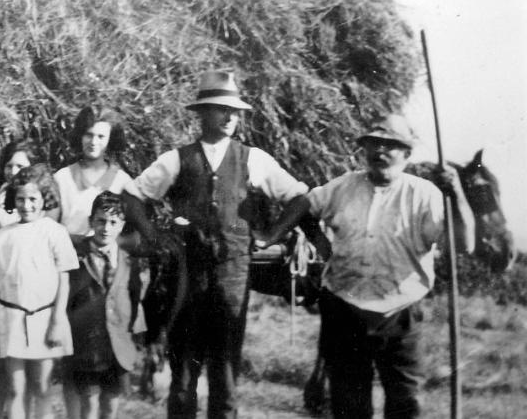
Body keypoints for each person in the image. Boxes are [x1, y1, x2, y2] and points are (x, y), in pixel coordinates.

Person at [123, 71, 314, 419]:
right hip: (187, 277)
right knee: (183, 371)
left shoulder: (253, 158)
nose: (230, 117)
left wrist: (270, 235)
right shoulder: (177, 159)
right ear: (202, 113)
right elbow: (133, 196)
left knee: (225, 370)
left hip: (233, 276)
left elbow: (299, 198)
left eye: (235, 111)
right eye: (221, 109)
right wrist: (153, 235)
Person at [260, 115, 475, 419]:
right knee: (348, 405)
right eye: (374, 144)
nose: (381, 152)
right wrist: (272, 234)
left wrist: (457, 193)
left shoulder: (426, 194)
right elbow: (305, 202)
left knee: (405, 403)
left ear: (406, 154)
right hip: (344, 309)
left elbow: (464, 244)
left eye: (391, 146)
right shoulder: (344, 186)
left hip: (400, 313)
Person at [0, 164, 78, 419]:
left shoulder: (55, 232)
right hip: (11, 318)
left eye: (33, 199)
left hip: (45, 317)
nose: (26, 205)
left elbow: (64, 279)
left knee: (42, 385)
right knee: (16, 388)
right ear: (13, 199)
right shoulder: (2, 237)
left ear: (44, 198)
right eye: (20, 198)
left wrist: (57, 320)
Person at [65, 191, 149, 419]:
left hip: (117, 347)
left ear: (121, 225)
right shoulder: (77, 256)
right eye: (101, 221)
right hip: (86, 346)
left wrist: (138, 337)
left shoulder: (129, 261)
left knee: (110, 405)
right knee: (89, 406)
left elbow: (134, 298)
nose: (106, 228)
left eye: (113, 222)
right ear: (91, 221)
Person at [0, 138, 39, 419]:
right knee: (1, 360)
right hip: (3, 285)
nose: (13, 170)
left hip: (30, 290)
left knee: (27, 364)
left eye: (20, 165)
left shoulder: (37, 202)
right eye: (9, 165)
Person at [54, 105, 133, 237]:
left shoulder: (122, 182)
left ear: (110, 139)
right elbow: (48, 227)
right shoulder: (62, 177)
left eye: (101, 137)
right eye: (89, 135)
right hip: (66, 252)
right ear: (80, 136)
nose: (93, 142)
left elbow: (130, 233)